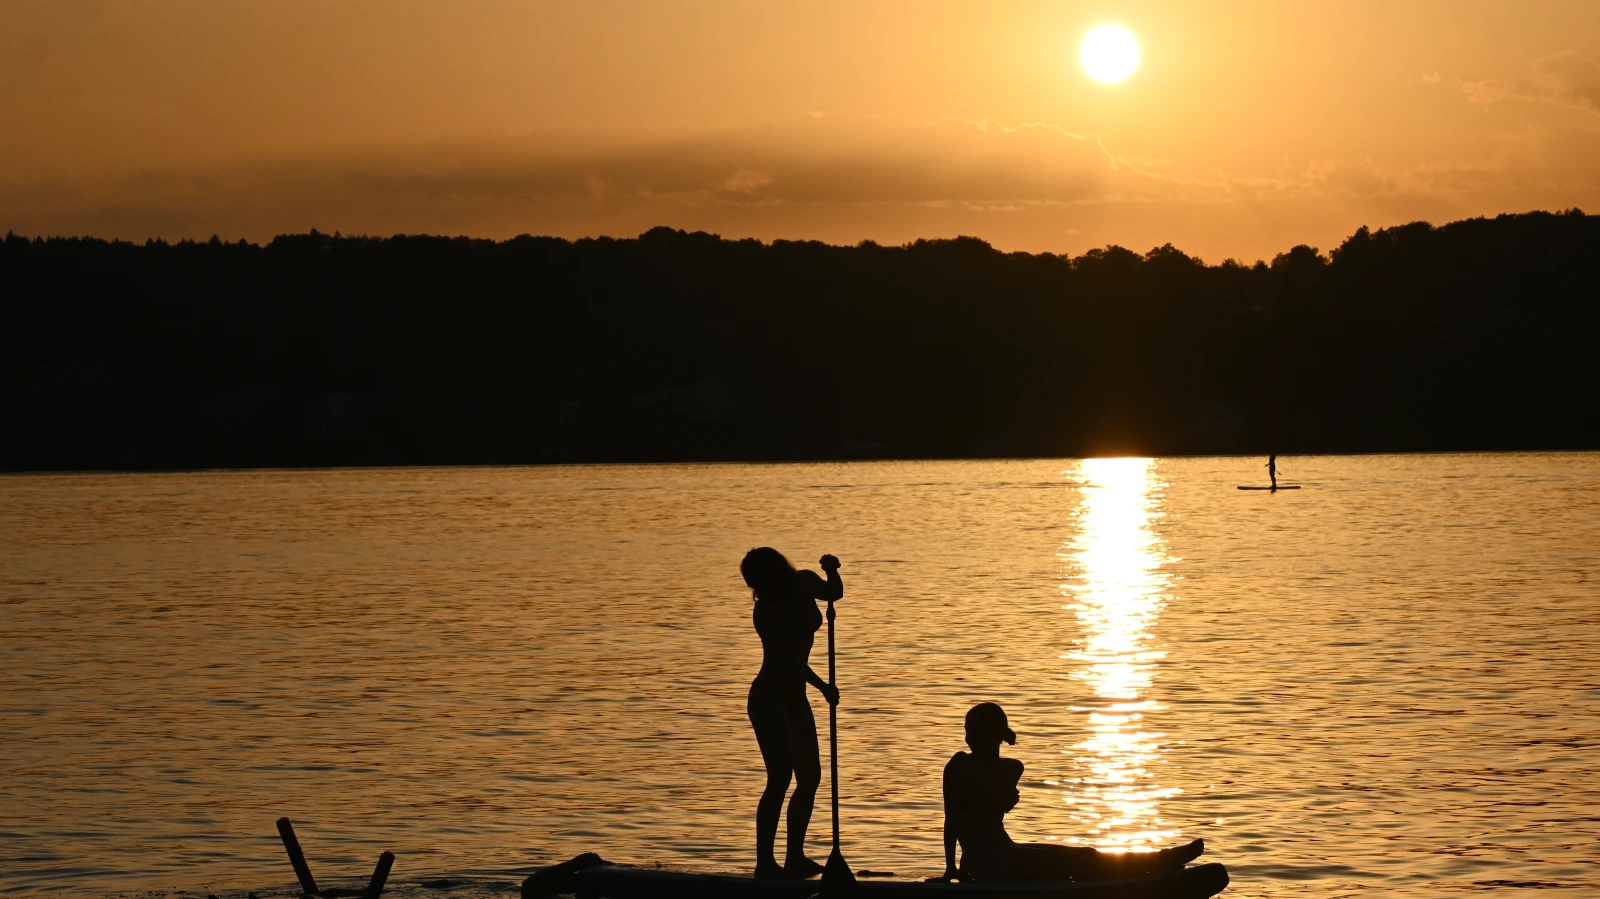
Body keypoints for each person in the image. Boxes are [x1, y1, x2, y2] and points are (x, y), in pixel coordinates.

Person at [934, 702, 1204, 883]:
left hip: (1006, 853)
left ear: (994, 735)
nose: (968, 739)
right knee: (1079, 862)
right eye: (966, 732)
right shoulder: (959, 766)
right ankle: (1161, 862)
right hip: (988, 866)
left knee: (1085, 853)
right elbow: (953, 819)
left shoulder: (1011, 768)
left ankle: (1158, 861)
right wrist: (951, 869)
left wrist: (998, 800)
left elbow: (994, 803)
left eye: (974, 732)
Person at [741, 547, 843, 880]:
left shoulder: (804, 582)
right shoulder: (764, 611)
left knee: (810, 777)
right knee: (780, 778)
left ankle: (795, 857)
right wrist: (823, 686)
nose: (755, 587)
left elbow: (834, 594)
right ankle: (765, 864)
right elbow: (786, 659)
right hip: (769, 698)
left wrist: (831, 570)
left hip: (795, 698)